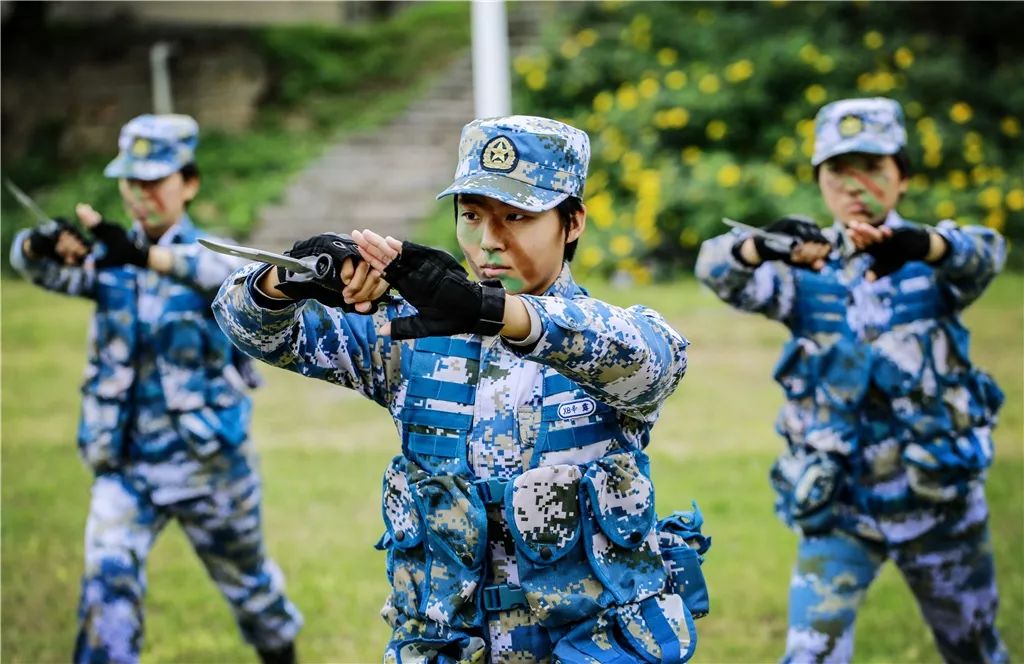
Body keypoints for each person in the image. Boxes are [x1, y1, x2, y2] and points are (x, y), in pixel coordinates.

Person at [212, 115, 711, 662]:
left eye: (516, 217)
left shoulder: (603, 336)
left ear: (572, 223)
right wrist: (290, 279)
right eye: (471, 216)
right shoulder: (410, 337)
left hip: (590, 648)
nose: (488, 241)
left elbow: (656, 358)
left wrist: (491, 310)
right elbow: (249, 328)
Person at [695, 97, 1008, 663]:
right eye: (838, 170)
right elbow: (716, 271)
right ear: (820, 181)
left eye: (872, 168)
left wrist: (925, 246)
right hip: (839, 507)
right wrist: (759, 244)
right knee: (808, 655)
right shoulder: (803, 266)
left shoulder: (934, 258)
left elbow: (987, 253)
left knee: (975, 651)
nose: (855, 185)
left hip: (940, 502)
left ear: (902, 177)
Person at [10, 114, 303, 664]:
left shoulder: (209, 254)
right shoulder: (107, 256)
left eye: (155, 182)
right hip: (124, 463)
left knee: (254, 594)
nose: (141, 196)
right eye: (131, 183)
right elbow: (42, 269)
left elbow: (220, 274)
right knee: (107, 589)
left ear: (188, 183)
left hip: (209, 465)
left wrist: (141, 253)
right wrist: (41, 246)